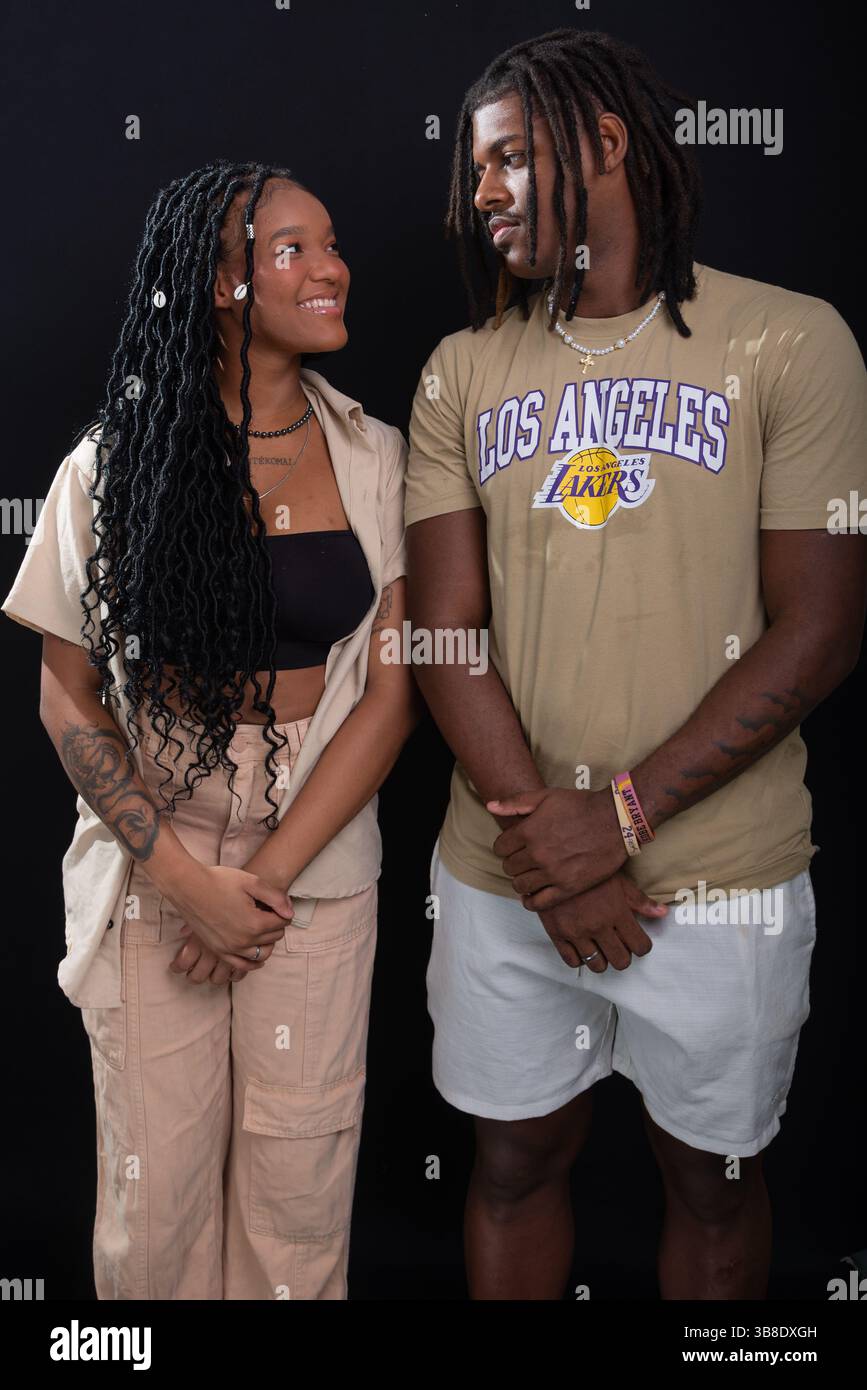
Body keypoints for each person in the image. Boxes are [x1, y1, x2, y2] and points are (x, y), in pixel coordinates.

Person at [404, 29, 867, 1300]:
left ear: (604, 141)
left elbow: (820, 625)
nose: (482, 191)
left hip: (720, 878)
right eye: (474, 170)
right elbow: (446, 631)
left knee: (713, 1185)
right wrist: (554, 863)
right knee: (511, 1161)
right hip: (508, 877)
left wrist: (620, 817)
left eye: (506, 158)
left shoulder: (790, 342)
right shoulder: (462, 371)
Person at [2, 159, 418, 1300]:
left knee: (300, 1180)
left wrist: (263, 882)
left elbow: (391, 693)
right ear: (220, 281)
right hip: (154, 850)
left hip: (317, 854)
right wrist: (180, 877)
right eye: (293, 248)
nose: (332, 267)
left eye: (331, 244)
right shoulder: (109, 468)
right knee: (158, 1193)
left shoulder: (376, 457)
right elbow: (66, 694)